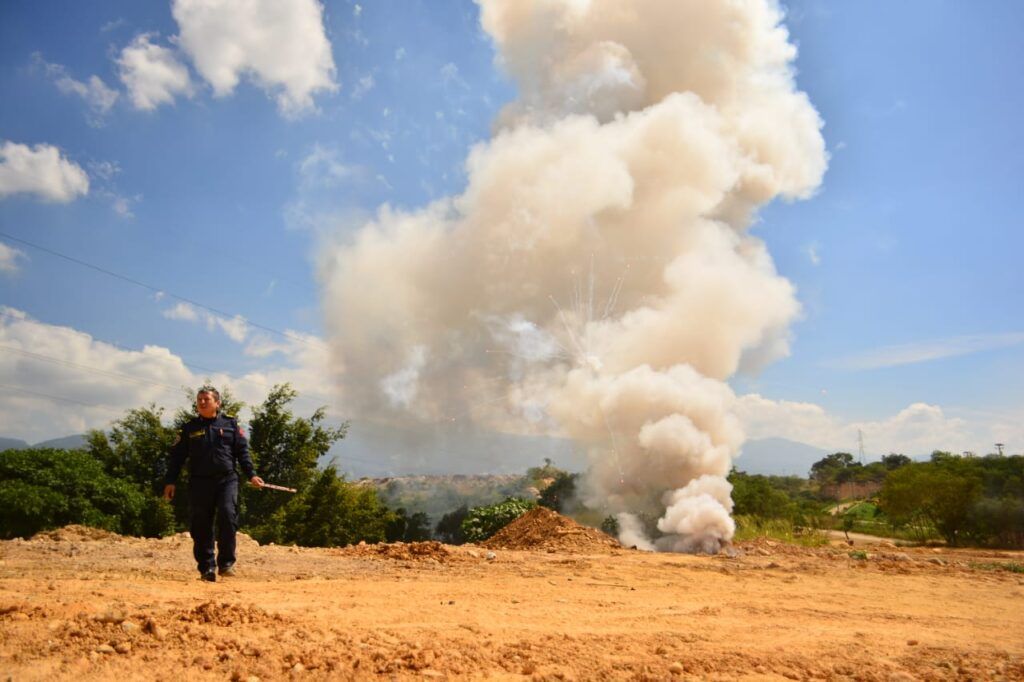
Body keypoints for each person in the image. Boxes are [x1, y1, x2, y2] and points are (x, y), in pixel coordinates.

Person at [163, 386, 264, 582]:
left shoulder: (230, 424)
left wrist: (252, 475)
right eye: (199, 399)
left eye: (206, 399)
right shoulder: (189, 428)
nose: (202, 402)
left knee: (227, 515)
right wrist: (170, 481)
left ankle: (226, 564)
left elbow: (242, 452)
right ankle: (207, 568)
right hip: (199, 482)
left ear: (217, 403)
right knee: (201, 524)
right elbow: (177, 457)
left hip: (226, 480)